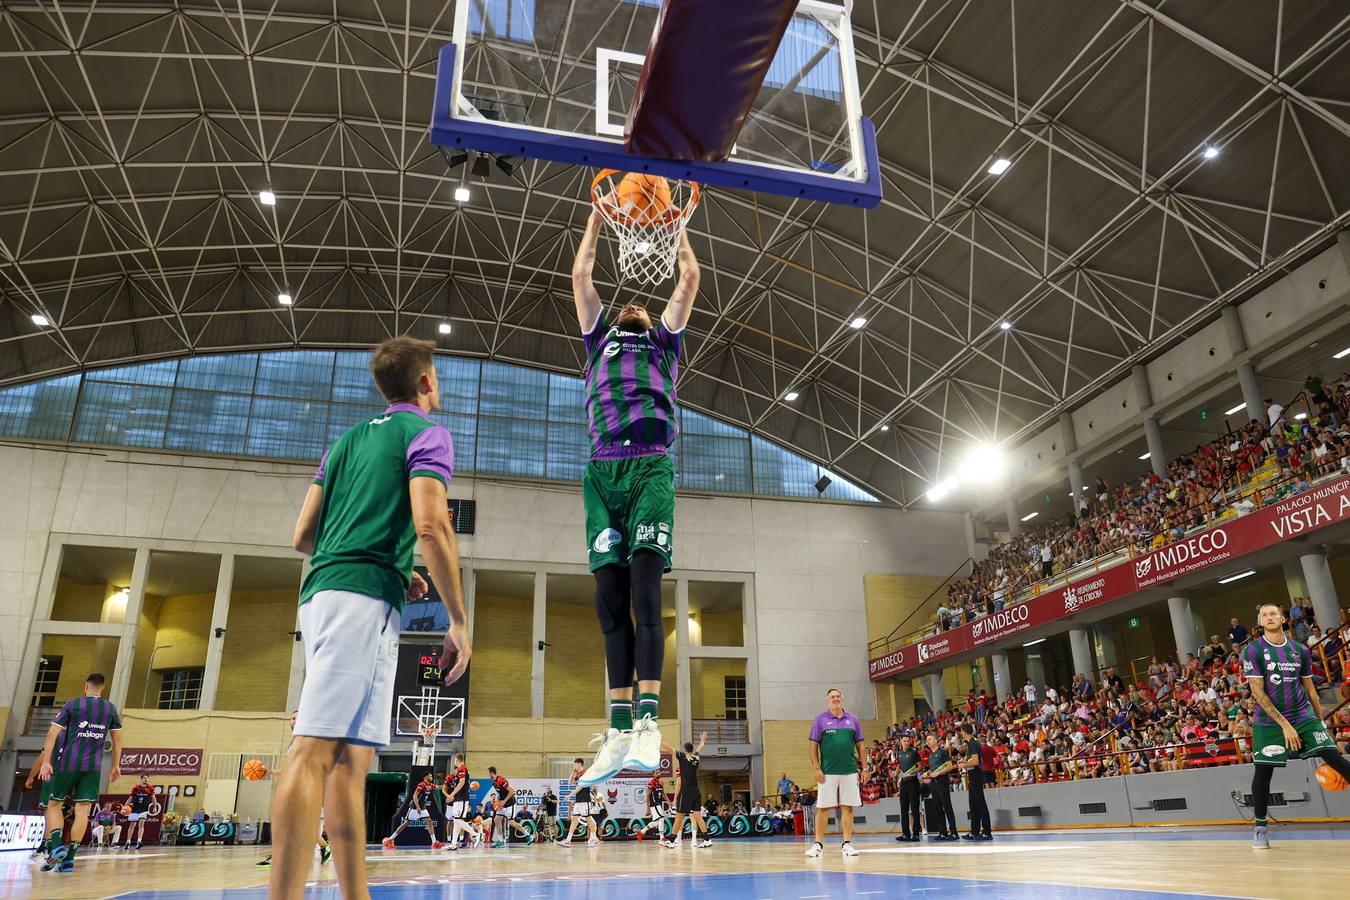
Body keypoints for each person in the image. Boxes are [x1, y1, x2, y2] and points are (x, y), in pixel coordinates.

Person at [271, 337, 468, 900]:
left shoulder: (344, 443)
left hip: (333, 593)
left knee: (351, 761)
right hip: (357, 600)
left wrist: (392, 567)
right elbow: (431, 525)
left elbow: (303, 535)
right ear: (425, 382)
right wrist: (457, 619)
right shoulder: (427, 433)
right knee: (313, 751)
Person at [571, 211, 700, 786]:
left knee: (645, 592)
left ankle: (648, 722)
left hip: (648, 467)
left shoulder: (663, 343)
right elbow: (581, 276)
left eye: (643, 307)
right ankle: (619, 728)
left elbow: (688, 278)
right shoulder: (598, 339)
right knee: (608, 602)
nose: (635, 305)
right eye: (631, 305)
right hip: (602, 472)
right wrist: (597, 220)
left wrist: (677, 227)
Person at [1244, 602, 1350, 849]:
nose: (1269, 617)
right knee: (1263, 772)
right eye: (1264, 615)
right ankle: (1260, 828)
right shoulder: (1253, 650)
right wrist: (1285, 726)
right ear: (1260, 623)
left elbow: (1310, 689)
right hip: (1268, 721)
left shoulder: (1300, 650)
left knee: (1335, 758)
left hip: (1303, 715)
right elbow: (1257, 693)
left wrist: (1320, 721)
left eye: (1273, 613)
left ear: (1283, 619)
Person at [36, 672, 122, 874]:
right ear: (102, 688)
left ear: (86, 686)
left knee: (54, 804)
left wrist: (46, 762)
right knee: (82, 810)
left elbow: (52, 734)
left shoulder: (73, 704)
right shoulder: (110, 708)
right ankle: (69, 860)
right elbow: (117, 740)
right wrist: (116, 765)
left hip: (68, 764)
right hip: (93, 767)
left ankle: (57, 846)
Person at [257, 711, 333, 868]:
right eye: (291, 719)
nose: (291, 721)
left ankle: (322, 847)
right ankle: (324, 847)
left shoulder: (305, 741)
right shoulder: (295, 741)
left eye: (295, 718)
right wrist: (270, 772)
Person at [804, 688, 864, 859]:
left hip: (850, 771)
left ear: (842, 699)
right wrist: (817, 768)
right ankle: (818, 844)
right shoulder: (820, 719)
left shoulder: (853, 719)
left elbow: (860, 745)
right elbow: (813, 746)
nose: (835, 698)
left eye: (838, 696)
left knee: (848, 807)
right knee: (823, 808)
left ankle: (847, 844)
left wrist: (865, 768)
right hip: (827, 772)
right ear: (828, 700)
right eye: (832, 697)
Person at [667, 732, 713, 849]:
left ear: (684, 749)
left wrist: (659, 741)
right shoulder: (696, 758)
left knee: (679, 816)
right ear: (691, 750)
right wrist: (703, 740)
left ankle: (672, 840)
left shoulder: (683, 757)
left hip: (686, 791)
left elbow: (669, 749)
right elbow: (700, 748)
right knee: (698, 816)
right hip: (696, 791)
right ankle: (707, 840)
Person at [383, 772, 444, 849]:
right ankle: (390, 839)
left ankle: (434, 842)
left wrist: (447, 785)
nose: (432, 777)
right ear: (425, 777)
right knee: (405, 824)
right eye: (430, 776)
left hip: (423, 808)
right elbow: (415, 796)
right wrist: (418, 807)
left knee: (429, 822)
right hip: (415, 808)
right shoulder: (421, 785)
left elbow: (438, 787)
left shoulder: (430, 785)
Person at [957, 724, 992, 841]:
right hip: (973, 774)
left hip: (976, 774)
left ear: (964, 732)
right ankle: (974, 831)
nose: (960, 733)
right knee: (973, 804)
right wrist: (965, 762)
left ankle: (987, 831)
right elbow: (973, 759)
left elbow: (976, 761)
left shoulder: (973, 743)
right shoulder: (971, 743)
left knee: (980, 803)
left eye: (961, 731)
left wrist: (963, 765)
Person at [920, 733, 958, 841]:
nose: (927, 741)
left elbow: (950, 766)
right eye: (927, 740)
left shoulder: (942, 752)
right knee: (937, 808)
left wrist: (939, 773)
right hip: (933, 783)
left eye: (930, 739)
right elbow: (933, 768)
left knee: (947, 806)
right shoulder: (930, 755)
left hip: (942, 781)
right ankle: (943, 832)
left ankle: (954, 832)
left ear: (936, 741)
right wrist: (927, 773)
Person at [558, 759, 599, 848]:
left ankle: (594, 839)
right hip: (578, 800)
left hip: (585, 800)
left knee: (588, 818)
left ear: (580, 764)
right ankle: (568, 840)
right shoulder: (579, 774)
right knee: (574, 819)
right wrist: (573, 772)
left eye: (575, 764)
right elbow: (570, 783)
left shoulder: (584, 774)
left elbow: (580, 787)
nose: (574, 766)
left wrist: (570, 795)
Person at [486, 767, 531, 846]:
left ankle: (528, 835)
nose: (488, 775)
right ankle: (501, 841)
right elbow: (501, 793)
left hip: (510, 803)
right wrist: (498, 801)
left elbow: (512, 791)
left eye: (489, 773)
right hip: (503, 804)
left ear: (492, 773)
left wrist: (504, 801)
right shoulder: (493, 782)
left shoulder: (501, 780)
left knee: (511, 822)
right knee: (496, 820)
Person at [440, 754, 475, 849]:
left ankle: (475, 834)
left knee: (458, 820)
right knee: (456, 821)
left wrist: (451, 794)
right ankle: (453, 844)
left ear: (456, 760)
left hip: (462, 799)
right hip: (457, 799)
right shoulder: (455, 775)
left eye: (455, 760)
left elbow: (462, 782)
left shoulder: (462, 768)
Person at [893, 734, 922, 842]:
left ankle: (916, 834)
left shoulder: (914, 752)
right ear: (900, 742)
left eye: (908, 741)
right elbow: (899, 765)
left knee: (914, 809)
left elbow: (920, 766)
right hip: (903, 783)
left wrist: (912, 771)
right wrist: (895, 772)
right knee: (903, 809)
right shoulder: (899, 753)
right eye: (904, 741)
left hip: (913, 782)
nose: (906, 742)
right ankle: (906, 834)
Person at [123, 775, 154, 849]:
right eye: (145, 778)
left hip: (144, 809)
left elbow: (153, 798)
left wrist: (155, 806)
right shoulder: (136, 788)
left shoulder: (150, 788)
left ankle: (139, 841)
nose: (146, 780)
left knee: (141, 824)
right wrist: (124, 807)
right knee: (132, 825)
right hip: (135, 808)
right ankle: (128, 842)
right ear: (141, 779)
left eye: (147, 778)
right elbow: (130, 798)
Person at [637, 774, 670, 840]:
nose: (658, 773)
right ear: (653, 774)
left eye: (659, 772)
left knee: (657, 822)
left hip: (659, 804)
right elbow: (647, 796)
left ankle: (641, 832)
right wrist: (648, 808)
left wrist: (669, 802)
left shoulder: (661, 782)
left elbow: (663, 793)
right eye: (656, 772)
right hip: (654, 804)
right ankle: (662, 837)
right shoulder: (651, 783)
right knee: (661, 818)